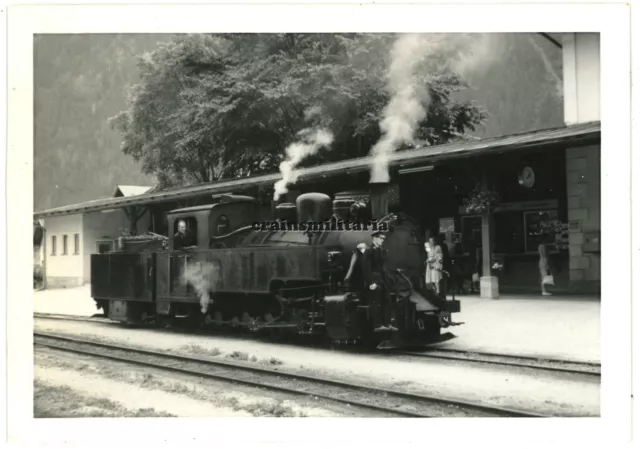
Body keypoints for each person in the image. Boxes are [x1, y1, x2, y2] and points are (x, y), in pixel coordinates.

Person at [362, 231, 397, 332]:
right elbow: (366, 268)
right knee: (376, 302)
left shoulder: (379, 251)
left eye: (383, 239)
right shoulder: (369, 251)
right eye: (381, 238)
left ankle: (387, 323)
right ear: (375, 239)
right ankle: (377, 325)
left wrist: (386, 280)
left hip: (381, 279)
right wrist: (370, 282)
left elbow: (381, 268)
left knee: (387, 300)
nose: (382, 240)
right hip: (373, 279)